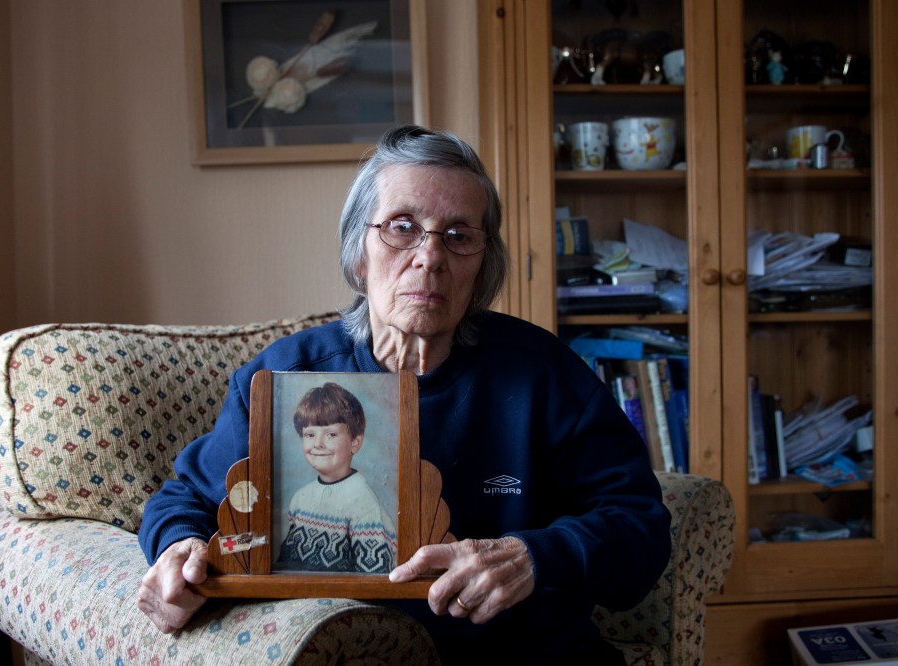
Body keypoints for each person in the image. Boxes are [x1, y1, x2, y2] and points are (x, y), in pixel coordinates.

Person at [137, 125, 671, 663]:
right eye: (402, 227)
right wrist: (179, 548)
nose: (430, 257)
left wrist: (532, 556)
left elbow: (641, 527)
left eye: (459, 235)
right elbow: (187, 499)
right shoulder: (286, 377)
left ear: (483, 265)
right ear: (358, 255)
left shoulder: (544, 375)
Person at [275, 381, 396, 573]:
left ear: (355, 443)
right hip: (294, 598)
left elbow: (375, 579)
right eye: (309, 435)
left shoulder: (364, 504)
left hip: (346, 600)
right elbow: (284, 566)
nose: (318, 444)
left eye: (331, 434)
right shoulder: (300, 498)